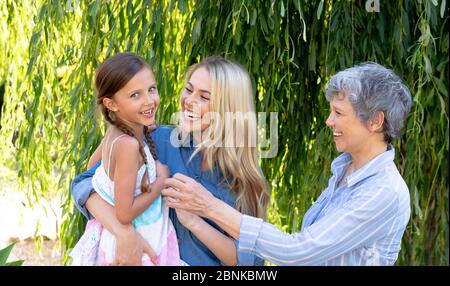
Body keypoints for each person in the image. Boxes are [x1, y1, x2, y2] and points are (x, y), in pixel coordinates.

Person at [162, 62, 413, 266]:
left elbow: (299, 250)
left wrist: (207, 207)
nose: (329, 121)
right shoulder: (345, 171)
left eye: (338, 113)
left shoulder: (382, 192)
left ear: (375, 122)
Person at [71, 56, 270, 266]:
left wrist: (195, 219)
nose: (189, 101)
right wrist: (124, 232)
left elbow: (250, 262)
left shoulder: (242, 177)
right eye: (188, 89)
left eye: (204, 97)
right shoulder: (157, 141)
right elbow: (84, 183)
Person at [69, 52, 181, 266]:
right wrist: (160, 182)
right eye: (135, 95)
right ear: (111, 104)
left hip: (110, 236)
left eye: (151, 89)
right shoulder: (128, 146)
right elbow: (124, 213)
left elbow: (93, 167)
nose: (149, 101)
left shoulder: (115, 131)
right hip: (138, 243)